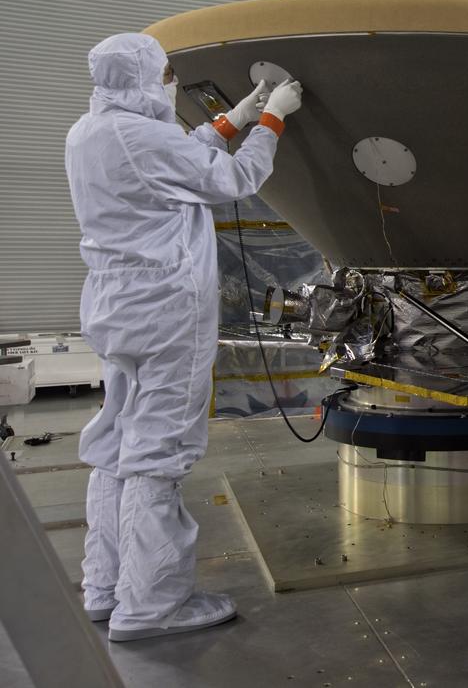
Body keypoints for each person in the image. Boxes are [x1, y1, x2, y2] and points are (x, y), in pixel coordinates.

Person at [65, 33, 304, 641]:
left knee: (117, 441)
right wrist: (273, 119)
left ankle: (105, 585)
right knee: (158, 453)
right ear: (142, 78)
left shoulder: (90, 131)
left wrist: (234, 118)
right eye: (165, 72)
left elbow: (169, 160)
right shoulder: (140, 136)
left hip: (116, 306)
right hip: (166, 309)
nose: (170, 81)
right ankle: (153, 605)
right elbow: (234, 179)